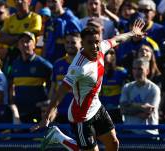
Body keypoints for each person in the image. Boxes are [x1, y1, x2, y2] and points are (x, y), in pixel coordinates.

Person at [31, 19, 145, 151]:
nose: (95, 46)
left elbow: (117, 39)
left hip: (96, 107)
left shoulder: (101, 47)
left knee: (114, 144)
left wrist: (132, 32)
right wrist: (46, 117)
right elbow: (60, 92)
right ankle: (58, 136)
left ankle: (58, 136)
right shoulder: (78, 68)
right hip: (81, 116)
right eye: (90, 43)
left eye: (96, 41)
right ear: (83, 44)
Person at [10, 31, 53, 124]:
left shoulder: (42, 64)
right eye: (22, 41)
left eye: (28, 41)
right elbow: (11, 85)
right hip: (20, 110)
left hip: (38, 111)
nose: (25, 44)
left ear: (34, 45)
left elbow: (54, 82)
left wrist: (49, 100)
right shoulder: (15, 64)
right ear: (18, 45)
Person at [120, 57, 161, 135]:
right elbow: (122, 110)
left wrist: (129, 106)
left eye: (140, 69)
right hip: (129, 132)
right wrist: (141, 107)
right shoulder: (127, 87)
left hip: (149, 133)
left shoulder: (154, 89)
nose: (136, 72)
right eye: (134, 69)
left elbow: (148, 112)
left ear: (147, 71)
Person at [48, 31, 82, 123]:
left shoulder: (86, 64)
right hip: (60, 113)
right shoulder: (58, 64)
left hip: (80, 114)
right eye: (67, 42)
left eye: (73, 42)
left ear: (81, 44)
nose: (70, 45)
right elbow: (53, 89)